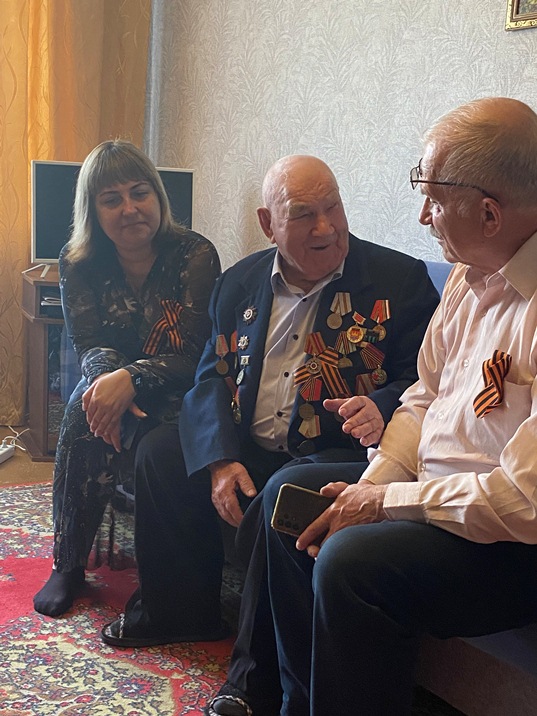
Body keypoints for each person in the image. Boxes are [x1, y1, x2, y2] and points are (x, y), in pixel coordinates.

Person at [205, 97, 537, 716]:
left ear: (490, 214)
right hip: (438, 496)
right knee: (292, 504)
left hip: (512, 540)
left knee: (349, 560)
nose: (422, 216)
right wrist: (375, 482)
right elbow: (422, 398)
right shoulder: (468, 277)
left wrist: (383, 502)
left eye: (434, 200)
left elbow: (523, 501)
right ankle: (297, 703)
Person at [100, 154, 439, 648]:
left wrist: (382, 406)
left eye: (333, 207)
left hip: (331, 450)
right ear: (268, 224)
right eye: (303, 214)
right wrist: (220, 459)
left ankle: (252, 671)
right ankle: (176, 614)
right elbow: (210, 376)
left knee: (287, 489)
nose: (326, 227)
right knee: (161, 452)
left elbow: (427, 380)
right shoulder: (239, 281)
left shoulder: (399, 280)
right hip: (247, 442)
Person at [33, 139, 221, 618]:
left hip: (181, 383)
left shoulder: (196, 253)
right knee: (83, 409)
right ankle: (68, 562)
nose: (130, 209)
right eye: (111, 199)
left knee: (142, 422)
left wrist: (131, 380)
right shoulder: (76, 260)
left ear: (158, 196)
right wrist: (107, 389)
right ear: (93, 210)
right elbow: (88, 342)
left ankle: (167, 567)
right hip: (112, 378)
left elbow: (195, 352)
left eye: (140, 193)